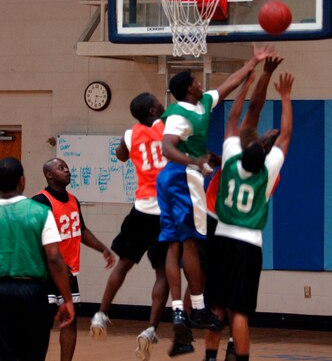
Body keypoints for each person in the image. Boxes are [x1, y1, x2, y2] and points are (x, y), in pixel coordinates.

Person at [156, 43, 275, 346]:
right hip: (194, 188)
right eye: (196, 80)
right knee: (193, 251)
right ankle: (195, 313)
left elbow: (235, 95)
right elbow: (167, 147)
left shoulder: (213, 121)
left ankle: (187, 315)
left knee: (184, 250)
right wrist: (194, 162)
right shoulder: (181, 116)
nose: (201, 82)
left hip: (192, 194)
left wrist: (254, 69)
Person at [204, 67, 294, 361]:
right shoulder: (270, 175)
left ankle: (211, 354)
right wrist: (284, 95)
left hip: (221, 234)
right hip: (246, 242)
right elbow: (282, 133)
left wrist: (247, 82)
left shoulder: (231, 160)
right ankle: (237, 350)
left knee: (217, 307)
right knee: (239, 310)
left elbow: (238, 117)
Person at [90, 92, 172, 361]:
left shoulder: (131, 134)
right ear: (152, 111)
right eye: (157, 103)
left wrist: (132, 145)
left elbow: (120, 155)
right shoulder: (169, 126)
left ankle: (101, 314)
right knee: (162, 273)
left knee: (124, 263)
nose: (162, 104)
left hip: (141, 208)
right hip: (165, 210)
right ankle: (150, 329)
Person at [32, 158, 116, 361]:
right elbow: (33, 237)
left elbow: (81, 230)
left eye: (67, 167)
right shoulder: (40, 201)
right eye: (61, 168)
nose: (67, 170)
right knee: (41, 323)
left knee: (70, 320)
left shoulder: (72, 200)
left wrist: (102, 248)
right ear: (49, 175)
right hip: (46, 272)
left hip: (69, 272)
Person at [0, 157, 75, 361]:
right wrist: (67, 299)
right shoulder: (40, 211)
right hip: (32, 292)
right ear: (22, 181)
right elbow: (54, 258)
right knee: (33, 351)